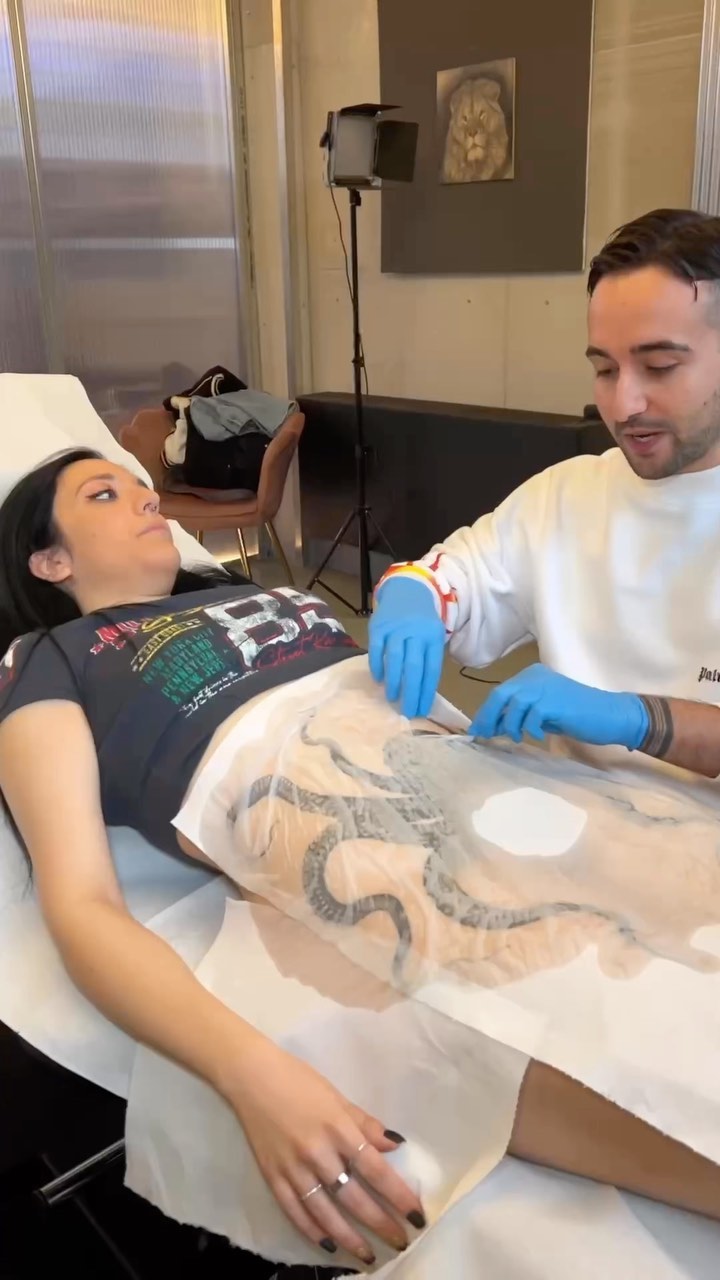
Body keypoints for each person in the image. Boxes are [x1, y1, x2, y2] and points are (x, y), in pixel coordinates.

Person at [1, 453, 720, 1266]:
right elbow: (82, 903)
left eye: (142, 489)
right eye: (105, 495)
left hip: (490, 775)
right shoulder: (50, 659)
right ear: (49, 561)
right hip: (352, 824)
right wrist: (255, 1079)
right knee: (589, 1013)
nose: (145, 501)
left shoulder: (266, 595)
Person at [369, 207, 720, 781]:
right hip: (577, 813)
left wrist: (637, 719)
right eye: (605, 370)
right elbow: (454, 575)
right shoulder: (569, 495)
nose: (624, 405)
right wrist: (413, 595)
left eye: (659, 366)